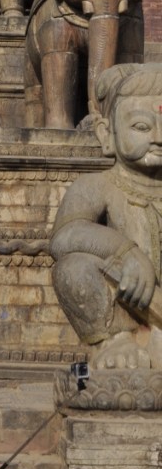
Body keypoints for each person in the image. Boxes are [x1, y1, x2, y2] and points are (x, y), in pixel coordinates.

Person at [51, 63, 162, 371]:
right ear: (106, 133)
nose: (158, 138)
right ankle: (116, 342)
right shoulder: (99, 185)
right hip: (129, 300)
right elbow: (65, 235)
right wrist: (126, 253)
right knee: (73, 268)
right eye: (141, 127)